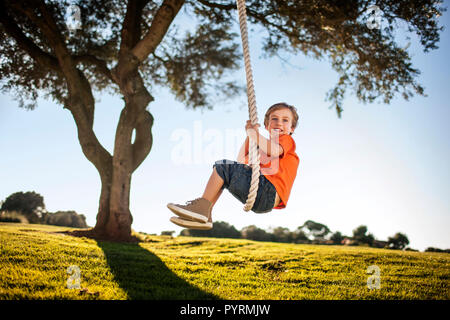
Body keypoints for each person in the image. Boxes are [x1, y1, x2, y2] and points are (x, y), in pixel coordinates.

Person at [167, 102, 300, 230]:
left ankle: (202, 206)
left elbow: (275, 150)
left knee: (223, 167)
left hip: (267, 192)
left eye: (285, 120)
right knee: (225, 176)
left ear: (292, 128)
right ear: (267, 125)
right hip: (263, 200)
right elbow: (241, 160)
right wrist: (250, 135)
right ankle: (205, 214)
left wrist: (254, 134)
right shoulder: (263, 148)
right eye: (274, 119)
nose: (279, 123)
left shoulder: (286, 140)